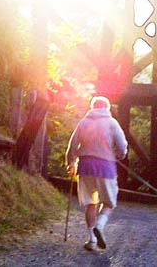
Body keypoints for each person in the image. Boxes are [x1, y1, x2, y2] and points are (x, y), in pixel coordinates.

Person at [65, 95, 128, 251]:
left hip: (85, 166)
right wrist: (120, 155)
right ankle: (99, 226)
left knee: (90, 203)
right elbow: (122, 146)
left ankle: (92, 240)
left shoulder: (83, 123)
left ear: (92, 107)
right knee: (109, 202)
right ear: (107, 108)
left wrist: (71, 162)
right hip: (105, 167)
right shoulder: (112, 123)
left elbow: (72, 145)